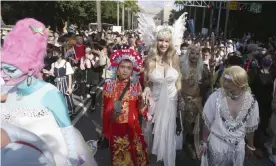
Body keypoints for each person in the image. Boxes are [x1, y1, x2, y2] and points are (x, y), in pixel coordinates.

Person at [1, 18, 97, 166]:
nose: (4, 75)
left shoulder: (49, 93)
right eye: (2, 68)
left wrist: (71, 160)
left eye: (10, 70)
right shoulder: (8, 92)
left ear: (30, 67)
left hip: (54, 157)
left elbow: (67, 129)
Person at [201, 66, 259, 166]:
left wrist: (250, 146)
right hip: (217, 146)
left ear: (240, 82)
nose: (226, 83)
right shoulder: (216, 96)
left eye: (230, 81)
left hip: (238, 148)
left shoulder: (251, 101)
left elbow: (250, 128)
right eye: (225, 79)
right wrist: (204, 142)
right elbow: (207, 122)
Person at [102, 49, 150, 166]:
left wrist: (145, 102)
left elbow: (140, 108)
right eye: (122, 66)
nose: (125, 70)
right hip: (115, 128)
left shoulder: (136, 86)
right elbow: (104, 108)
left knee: (136, 156)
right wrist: (105, 130)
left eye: (129, 68)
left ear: (132, 70)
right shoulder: (108, 86)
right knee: (118, 157)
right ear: (117, 68)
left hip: (131, 127)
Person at [143, 26, 182, 166]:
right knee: (153, 138)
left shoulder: (175, 58)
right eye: (160, 40)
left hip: (171, 103)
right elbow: (146, 81)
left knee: (168, 137)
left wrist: (180, 99)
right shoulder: (150, 60)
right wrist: (146, 89)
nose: (163, 44)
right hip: (154, 104)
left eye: (167, 41)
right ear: (156, 41)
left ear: (170, 42)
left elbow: (178, 79)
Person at [180, 45, 211, 159]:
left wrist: (209, 79)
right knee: (182, 125)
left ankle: (191, 144)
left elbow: (209, 84)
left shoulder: (203, 69)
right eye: (192, 53)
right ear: (188, 54)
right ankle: (182, 144)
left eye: (197, 54)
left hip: (196, 102)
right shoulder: (181, 66)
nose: (194, 56)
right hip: (182, 101)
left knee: (194, 126)